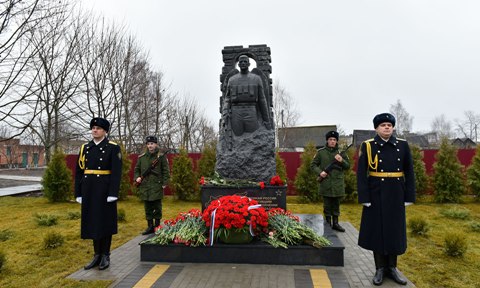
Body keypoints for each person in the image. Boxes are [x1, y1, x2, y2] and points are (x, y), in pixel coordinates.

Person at [357, 113, 415, 286]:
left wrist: (409, 196)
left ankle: (393, 268)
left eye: (389, 125)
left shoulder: (403, 145)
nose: (387, 127)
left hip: (397, 193)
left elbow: (409, 172)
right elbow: (361, 173)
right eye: (383, 125)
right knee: (378, 231)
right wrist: (364, 196)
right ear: (376, 128)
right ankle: (380, 268)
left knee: (394, 231)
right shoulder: (368, 146)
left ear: (393, 127)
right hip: (376, 193)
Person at [75, 117, 122, 270]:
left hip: (104, 190)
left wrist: (113, 192)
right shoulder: (85, 148)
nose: (94, 130)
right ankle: (96, 254)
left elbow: (116, 173)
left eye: (98, 128)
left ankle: (105, 255)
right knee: (93, 221)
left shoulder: (112, 147)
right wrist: (78, 193)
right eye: (93, 128)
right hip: (89, 189)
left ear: (105, 131)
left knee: (105, 222)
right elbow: (79, 172)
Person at [222, 55, 272, 137]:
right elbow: (227, 99)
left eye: (245, 61)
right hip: (236, 112)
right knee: (237, 135)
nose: (243, 63)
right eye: (241, 62)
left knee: (253, 135)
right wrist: (224, 114)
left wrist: (267, 121)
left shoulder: (256, 79)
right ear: (238, 65)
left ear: (249, 64)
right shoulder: (232, 80)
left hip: (251, 111)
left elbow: (262, 100)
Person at [311, 130, 350, 232]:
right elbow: (313, 165)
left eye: (334, 140)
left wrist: (341, 160)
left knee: (336, 204)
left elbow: (347, 166)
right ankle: (328, 223)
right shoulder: (321, 152)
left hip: (337, 183)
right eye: (330, 139)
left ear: (336, 141)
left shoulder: (341, 153)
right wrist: (320, 173)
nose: (332, 141)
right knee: (327, 205)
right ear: (327, 140)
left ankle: (336, 223)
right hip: (326, 182)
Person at [134, 136, 170, 235]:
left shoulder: (161, 157)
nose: (150, 146)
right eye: (148, 144)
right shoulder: (142, 157)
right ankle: (150, 226)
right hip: (145, 186)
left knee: (157, 206)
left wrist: (164, 183)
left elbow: (166, 170)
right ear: (147, 145)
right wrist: (137, 177)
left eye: (152, 143)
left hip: (156, 185)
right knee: (148, 207)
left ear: (156, 144)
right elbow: (137, 169)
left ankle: (157, 226)